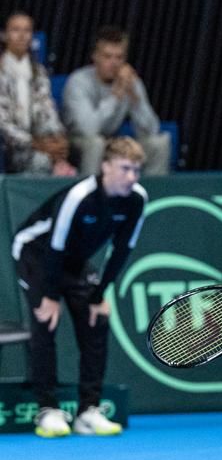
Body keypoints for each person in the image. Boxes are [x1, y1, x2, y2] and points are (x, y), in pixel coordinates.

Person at [11, 137, 147, 438]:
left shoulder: (137, 199)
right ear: (106, 166)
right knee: (45, 323)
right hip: (36, 254)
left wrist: (99, 296)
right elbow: (55, 248)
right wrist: (48, 295)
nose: (132, 177)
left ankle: (89, 411)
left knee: (96, 320)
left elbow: (122, 250)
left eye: (136, 170)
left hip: (74, 261)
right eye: (125, 169)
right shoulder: (80, 196)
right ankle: (47, 410)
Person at [62, 26, 170, 177]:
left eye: (119, 57)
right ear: (95, 57)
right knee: (96, 143)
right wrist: (116, 95)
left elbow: (152, 129)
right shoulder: (78, 81)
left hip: (112, 142)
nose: (114, 63)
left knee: (159, 143)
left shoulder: (129, 82)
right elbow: (89, 129)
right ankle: (89, 195)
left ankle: (153, 196)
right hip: (77, 143)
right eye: (108, 56)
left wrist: (134, 97)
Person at [0, 11, 77, 177]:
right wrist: (35, 144)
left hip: (38, 139)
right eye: (15, 30)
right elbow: (3, 125)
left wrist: (58, 139)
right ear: (5, 35)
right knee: (42, 161)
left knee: (66, 152)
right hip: (10, 146)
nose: (22, 36)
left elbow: (47, 109)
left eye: (27, 30)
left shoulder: (38, 72)